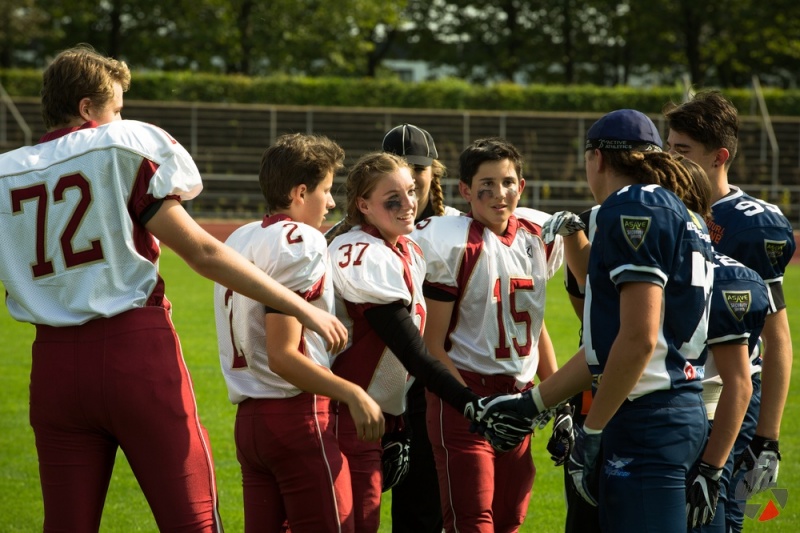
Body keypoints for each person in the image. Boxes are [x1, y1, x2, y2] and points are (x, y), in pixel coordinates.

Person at [0, 45, 347, 532]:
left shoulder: (7, 171)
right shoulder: (122, 144)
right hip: (132, 351)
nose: (121, 117)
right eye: (116, 108)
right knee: (193, 520)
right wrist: (302, 308)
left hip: (52, 369)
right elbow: (202, 253)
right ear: (87, 108)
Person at [488, 110, 716, 532]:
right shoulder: (684, 214)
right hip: (668, 407)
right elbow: (603, 350)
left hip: (646, 414)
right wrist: (533, 403)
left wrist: (593, 430)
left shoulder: (633, 206)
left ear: (597, 158)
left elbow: (638, 340)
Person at [326, 151, 528, 533]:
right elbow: (412, 352)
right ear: (363, 204)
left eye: (410, 192)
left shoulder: (406, 248)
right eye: (393, 199)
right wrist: (472, 405)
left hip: (372, 416)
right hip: (343, 413)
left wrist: (397, 421)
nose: (408, 206)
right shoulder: (364, 252)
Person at [212, 133, 386, 532]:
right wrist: (352, 392)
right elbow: (283, 354)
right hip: (296, 415)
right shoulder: (300, 240)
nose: (330, 203)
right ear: (300, 192)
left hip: (251, 424)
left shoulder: (241, 237)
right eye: (325, 191)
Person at [411, 137, 562, 533]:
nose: (500, 193)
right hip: (464, 392)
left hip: (519, 399)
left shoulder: (538, 233)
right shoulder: (452, 241)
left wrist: (560, 397)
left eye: (508, 182)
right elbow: (433, 344)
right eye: (487, 185)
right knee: (472, 522)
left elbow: (534, 323)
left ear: (522, 185)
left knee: (509, 519)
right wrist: (471, 405)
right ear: (465, 190)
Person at [664, 91, 796, 531]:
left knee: (718, 517)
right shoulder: (663, 209)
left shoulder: (749, 224)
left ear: (719, 157)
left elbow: (776, 334)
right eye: (667, 147)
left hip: (730, 399)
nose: (669, 160)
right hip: (671, 394)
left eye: (681, 151)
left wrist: (769, 437)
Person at [379, 123, 459, 533]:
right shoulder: (358, 235)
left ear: (434, 175)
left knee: (427, 510)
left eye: (418, 175)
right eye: (398, 173)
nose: (408, 187)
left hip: (440, 385)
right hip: (380, 387)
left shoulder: (458, 229)